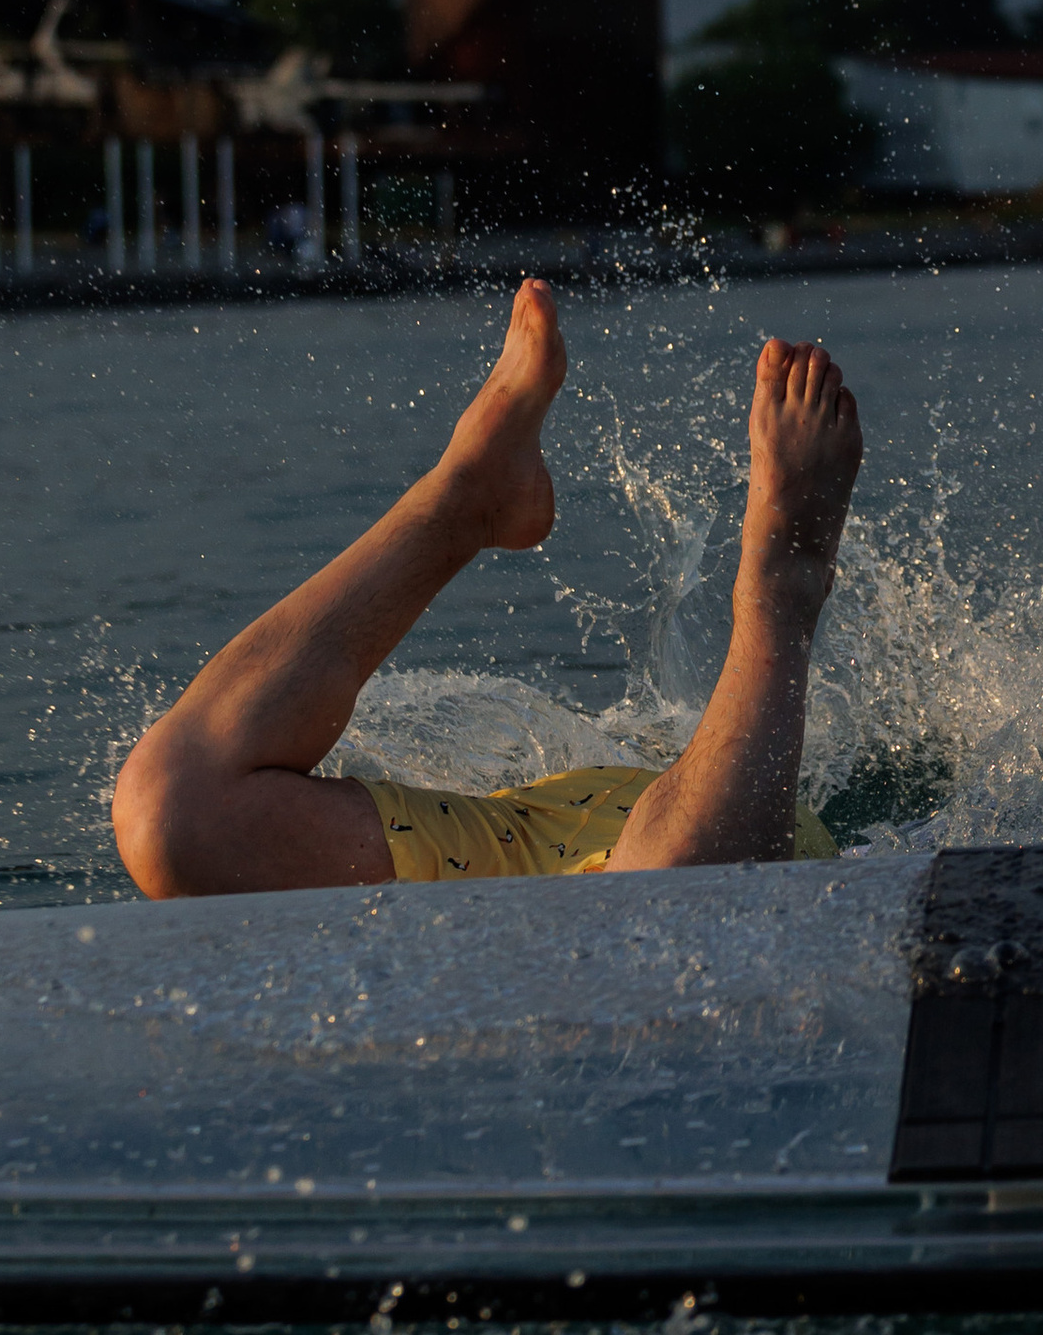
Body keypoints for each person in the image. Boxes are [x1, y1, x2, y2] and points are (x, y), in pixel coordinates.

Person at [111, 279, 861, 893]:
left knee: (661, 900)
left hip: (673, 845)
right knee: (171, 813)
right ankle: (477, 500)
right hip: (606, 849)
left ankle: (771, 590)